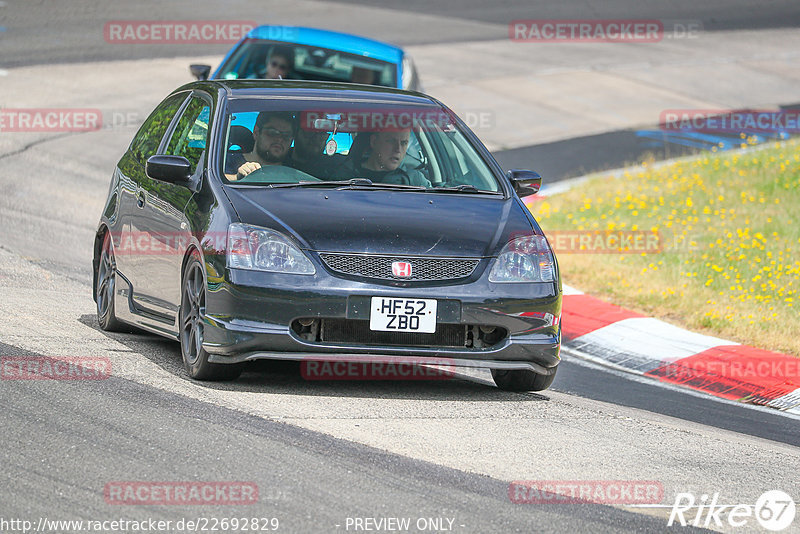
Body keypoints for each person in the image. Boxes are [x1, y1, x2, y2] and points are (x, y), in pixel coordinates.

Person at [225, 111, 294, 181]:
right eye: (273, 133)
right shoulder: (226, 160)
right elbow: (215, 180)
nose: (280, 139)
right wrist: (237, 177)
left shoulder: (296, 169)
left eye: (286, 136)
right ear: (256, 132)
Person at [352, 129, 430, 186]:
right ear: (374, 141)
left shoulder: (415, 181)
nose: (398, 149)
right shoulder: (345, 175)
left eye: (403, 143)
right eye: (392, 141)